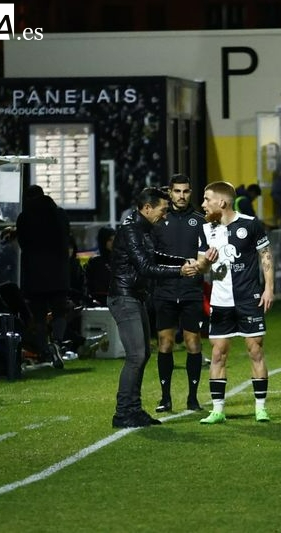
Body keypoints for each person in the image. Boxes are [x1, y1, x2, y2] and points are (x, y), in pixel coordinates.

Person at [108, 187, 211, 429]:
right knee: (136, 355)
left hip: (136, 297)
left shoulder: (141, 228)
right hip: (125, 298)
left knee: (141, 355)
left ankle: (133, 409)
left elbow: (153, 256)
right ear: (147, 208)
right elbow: (145, 267)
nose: (165, 216)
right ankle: (123, 412)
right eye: (162, 210)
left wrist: (184, 262)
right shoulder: (131, 230)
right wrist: (180, 270)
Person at [198, 181, 274, 425]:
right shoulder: (206, 229)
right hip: (221, 302)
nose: (203, 204)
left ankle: (260, 408)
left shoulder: (250, 224)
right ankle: (218, 410)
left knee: (255, 350)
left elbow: (266, 255)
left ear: (222, 202)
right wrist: (205, 263)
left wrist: (269, 289)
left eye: (207, 199)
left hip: (248, 299)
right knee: (218, 353)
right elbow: (199, 266)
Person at [151, 174, 208, 413]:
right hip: (164, 291)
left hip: (191, 291)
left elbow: (206, 256)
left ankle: (192, 398)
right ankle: (165, 398)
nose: (181, 196)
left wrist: (200, 266)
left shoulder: (201, 221)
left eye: (185, 191)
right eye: (177, 191)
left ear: (190, 192)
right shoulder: (158, 220)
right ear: (170, 192)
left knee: (192, 342)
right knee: (164, 343)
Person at [16, 184, 70, 361]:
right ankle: (58, 342)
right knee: (60, 311)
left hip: (35, 274)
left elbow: (23, 243)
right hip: (58, 272)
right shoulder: (59, 214)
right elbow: (66, 237)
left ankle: (44, 351)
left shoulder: (24, 217)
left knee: (38, 315)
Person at [85, 226, 116, 306]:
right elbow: (89, 286)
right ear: (103, 241)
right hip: (99, 303)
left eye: (114, 239)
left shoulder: (121, 260)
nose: (113, 243)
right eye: (109, 240)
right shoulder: (95, 262)